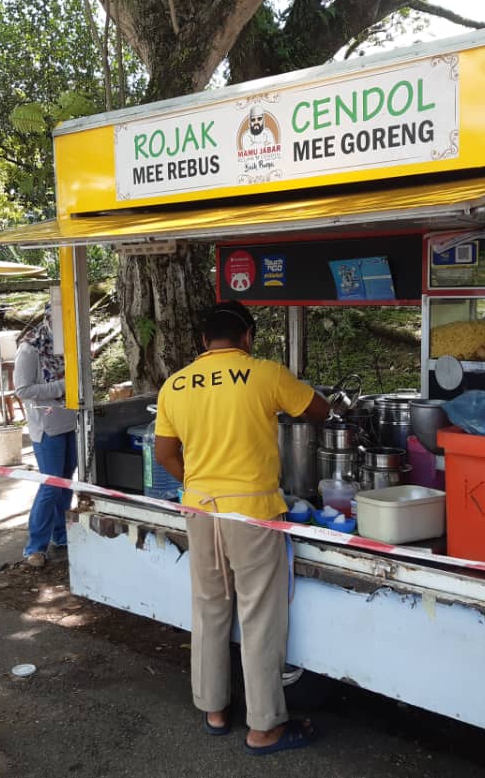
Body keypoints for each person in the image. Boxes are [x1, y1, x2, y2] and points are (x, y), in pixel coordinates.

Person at [154, 300, 328, 755]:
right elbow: (319, 410)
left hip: (199, 509)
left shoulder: (175, 384)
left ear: (202, 342)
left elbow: (164, 453)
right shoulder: (264, 373)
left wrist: (195, 483)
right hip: (252, 510)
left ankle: (213, 709)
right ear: (248, 335)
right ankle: (264, 727)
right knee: (259, 616)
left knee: (209, 608)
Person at [12, 308, 77, 568]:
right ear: (50, 321)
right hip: (46, 426)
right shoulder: (30, 349)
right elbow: (23, 390)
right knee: (50, 485)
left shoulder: (69, 345)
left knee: (65, 483)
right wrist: (64, 385)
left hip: (70, 421)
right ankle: (35, 546)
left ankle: (61, 536)